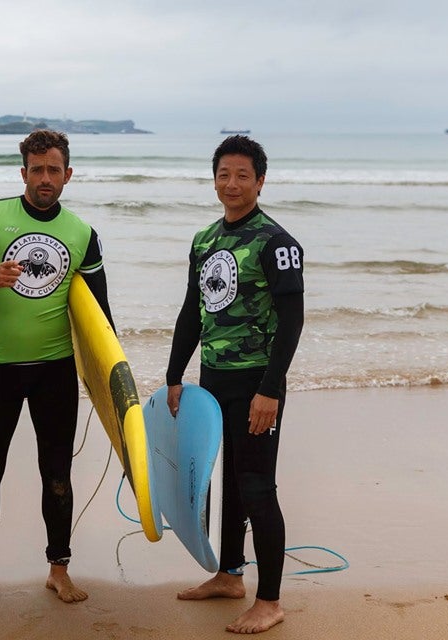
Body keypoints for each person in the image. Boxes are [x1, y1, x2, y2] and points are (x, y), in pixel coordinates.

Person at [0, 129, 113, 604]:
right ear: (23, 173)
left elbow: (100, 316)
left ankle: (59, 568)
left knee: (57, 474)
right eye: (36, 169)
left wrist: (109, 385)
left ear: (68, 174)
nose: (45, 178)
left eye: (54, 169)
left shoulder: (83, 235)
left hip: (54, 372)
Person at [164, 135, 304, 634]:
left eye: (243, 175)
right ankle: (229, 574)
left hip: (257, 383)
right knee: (223, 484)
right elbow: (191, 313)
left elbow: (292, 320)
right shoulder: (204, 241)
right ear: (214, 178)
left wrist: (271, 389)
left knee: (256, 486)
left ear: (260, 181)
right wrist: (175, 375)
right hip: (212, 382)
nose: (232, 183)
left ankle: (270, 600)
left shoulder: (276, 243)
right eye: (224, 174)